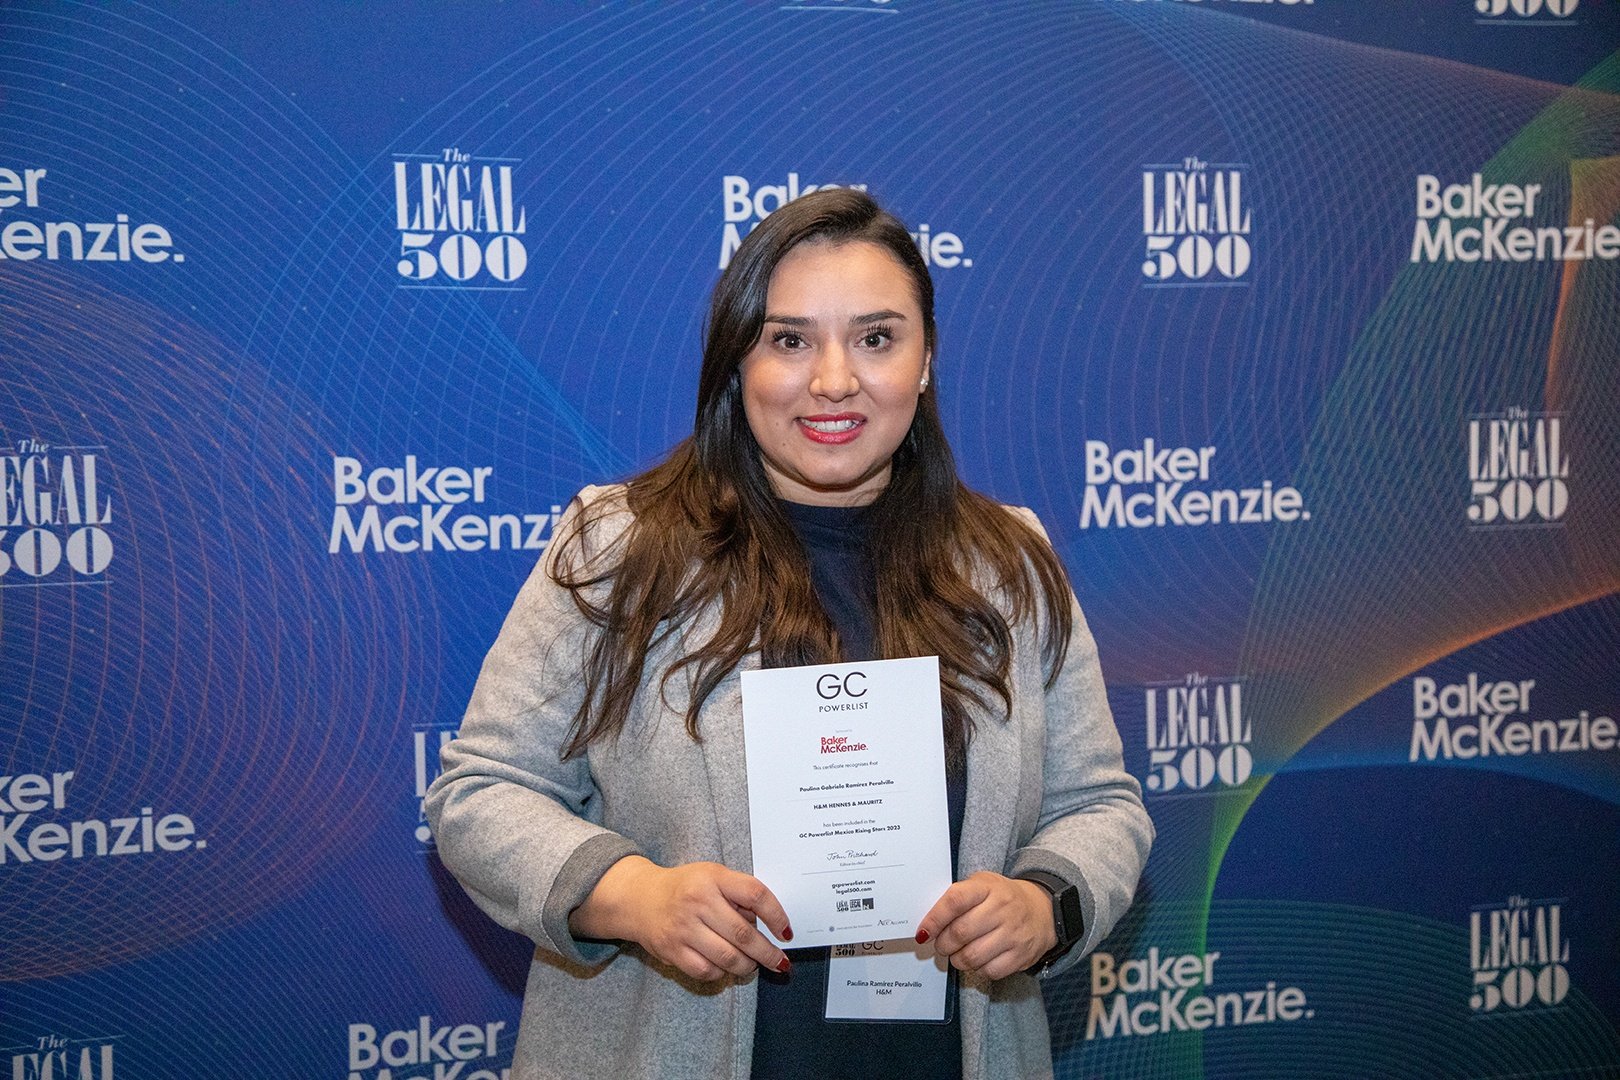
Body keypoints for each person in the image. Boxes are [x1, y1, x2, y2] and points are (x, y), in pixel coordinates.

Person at [425, 187, 1152, 1080]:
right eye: (790, 340)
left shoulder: (1011, 562)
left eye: (876, 338)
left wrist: (1045, 904)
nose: (835, 380)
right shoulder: (619, 549)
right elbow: (482, 792)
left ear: (926, 361)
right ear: (738, 363)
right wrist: (635, 895)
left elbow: (1099, 807)